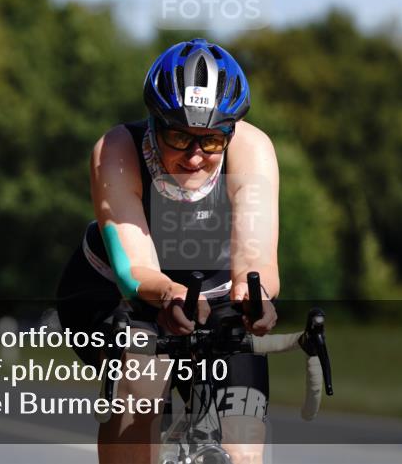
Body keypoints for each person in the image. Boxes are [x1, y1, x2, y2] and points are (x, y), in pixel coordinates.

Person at [56, 38, 280, 464]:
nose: (195, 156)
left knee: (243, 441)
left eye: (212, 140)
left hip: (213, 294)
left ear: (231, 131)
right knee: (142, 389)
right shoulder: (117, 150)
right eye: (179, 136)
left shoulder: (252, 149)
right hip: (114, 292)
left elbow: (256, 258)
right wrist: (168, 295)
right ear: (154, 123)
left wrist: (257, 298)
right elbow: (135, 267)